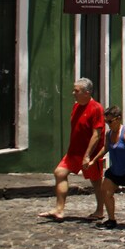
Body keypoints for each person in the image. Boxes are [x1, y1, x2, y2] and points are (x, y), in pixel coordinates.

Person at [38, 78, 105, 222]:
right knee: (59, 173)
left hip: (91, 154)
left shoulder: (96, 108)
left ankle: (100, 210)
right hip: (74, 152)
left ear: (86, 93)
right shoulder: (76, 107)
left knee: (96, 182)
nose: (73, 93)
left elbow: (96, 134)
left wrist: (87, 156)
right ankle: (59, 209)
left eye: (76, 91)